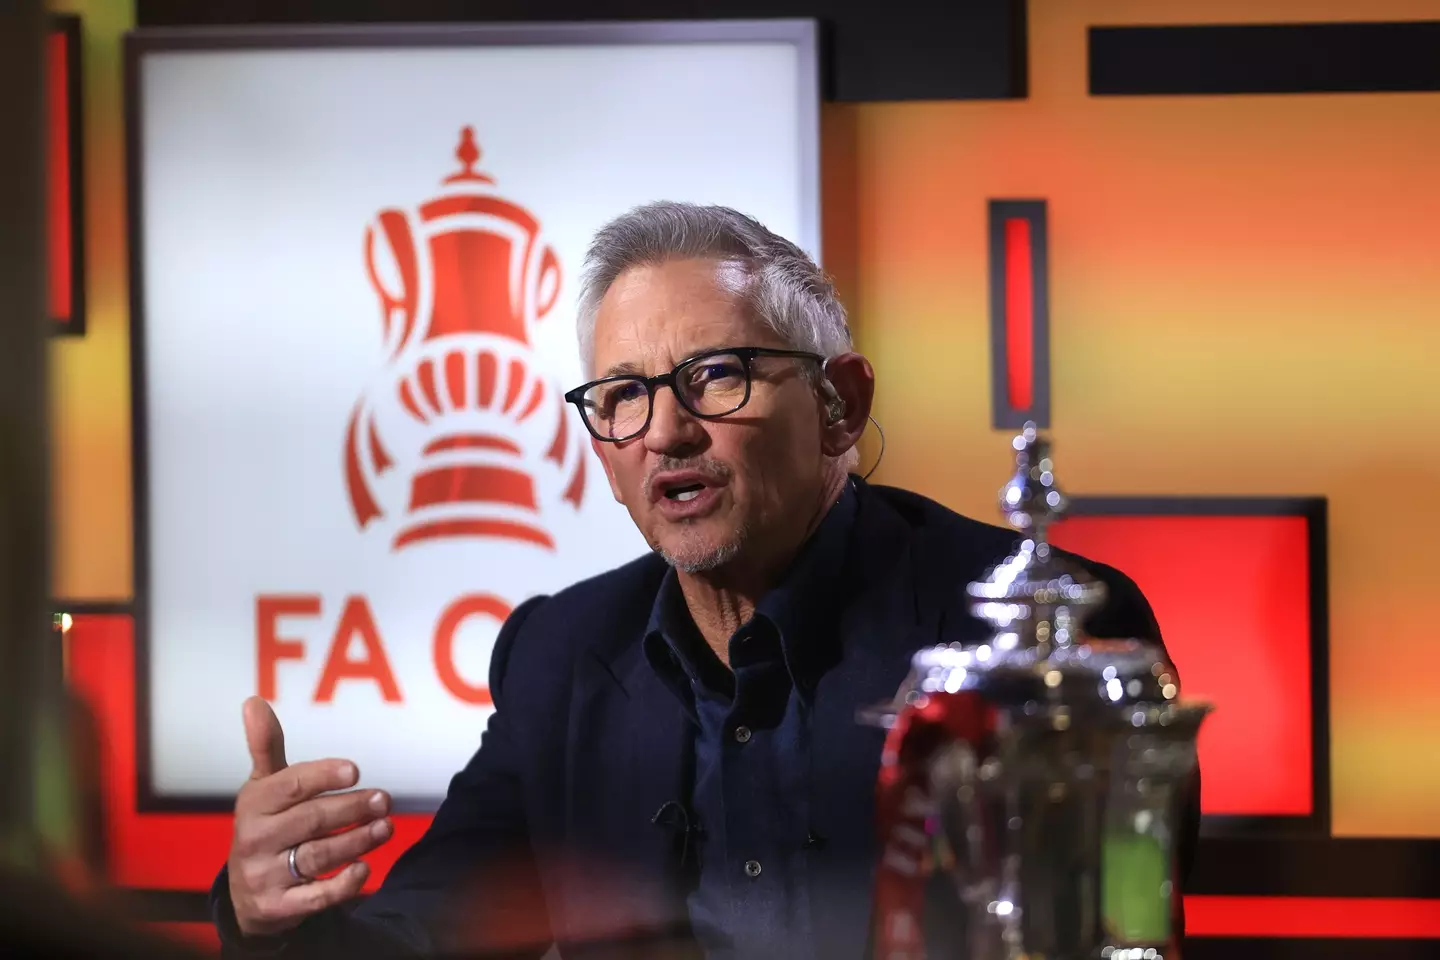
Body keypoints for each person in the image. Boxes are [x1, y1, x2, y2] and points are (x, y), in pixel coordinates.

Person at [211, 202, 1197, 959]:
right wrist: (267, 909)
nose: (667, 431)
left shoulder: (1033, 631)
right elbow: (425, 934)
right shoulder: (561, 654)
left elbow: (1107, 921)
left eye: (716, 375)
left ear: (839, 408)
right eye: (622, 396)